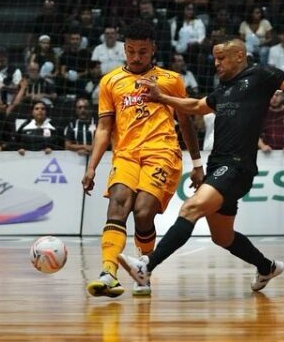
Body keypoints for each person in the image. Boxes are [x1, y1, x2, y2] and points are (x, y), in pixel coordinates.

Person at [118, 39, 284, 292]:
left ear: (239, 56)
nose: (216, 63)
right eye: (214, 59)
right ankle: (266, 267)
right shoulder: (223, 88)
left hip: (237, 166)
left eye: (221, 58)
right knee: (222, 237)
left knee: (191, 208)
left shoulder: (261, 75)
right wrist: (161, 97)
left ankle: (147, 265)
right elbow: (196, 106)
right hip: (219, 165)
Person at [81, 21, 204, 298]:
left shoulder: (171, 80)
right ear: (124, 49)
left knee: (144, 212)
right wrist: (91, 167)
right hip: (125, 153)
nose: (136, 58)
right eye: (132, 51)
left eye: (143, 52)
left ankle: (144, 269)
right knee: (118, 204)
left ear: (153, 50)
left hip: (162, 153)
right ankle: (108, 272)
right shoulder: (110, 81)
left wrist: (197, 165)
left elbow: (186, 123)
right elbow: (103, 128)